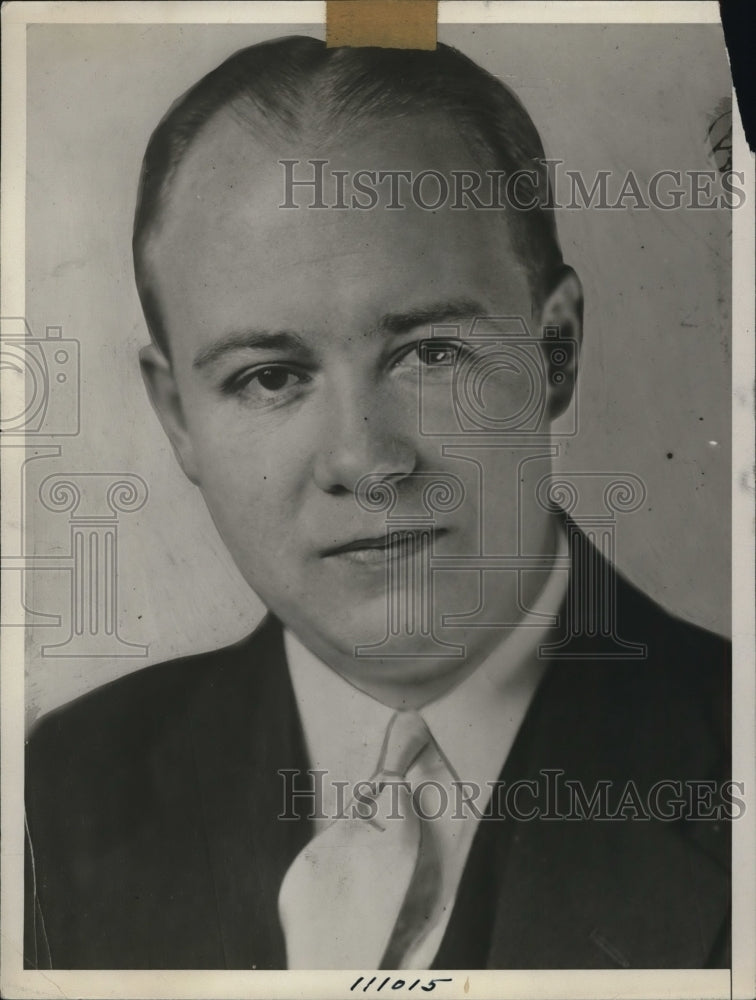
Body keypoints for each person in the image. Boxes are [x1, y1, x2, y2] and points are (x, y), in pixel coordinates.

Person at [24, 36, 731, 971]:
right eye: (270, 376)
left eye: (430, 354)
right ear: (178, 416)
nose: (365, 461)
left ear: (553, 351)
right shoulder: (56, 791)